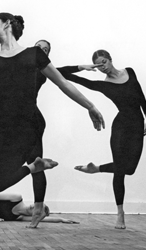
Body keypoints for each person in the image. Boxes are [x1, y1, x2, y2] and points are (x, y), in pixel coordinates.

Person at [0, 13, 105, 249]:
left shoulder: (34, 55)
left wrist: (91, 106)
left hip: (27, 124)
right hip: (1, 124)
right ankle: (33, 168)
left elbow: (63, 82)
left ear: (7, 24)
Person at [58, 49, 146, 229]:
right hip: (120, 127)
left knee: (130, 169)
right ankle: (120, 214)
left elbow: (142, 99)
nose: (102, 67)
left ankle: (96, 169)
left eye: (103, 62)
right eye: (98, 65)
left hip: (137, 125)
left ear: (110, 59)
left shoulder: (130, 72)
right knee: (120, 170)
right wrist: (83, 67)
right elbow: (60, 73)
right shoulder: (103, 85)